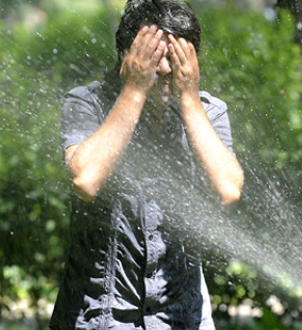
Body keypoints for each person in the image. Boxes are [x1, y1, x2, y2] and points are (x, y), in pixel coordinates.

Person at [49, 0, 243, 329]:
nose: (166, 69)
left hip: (182, 320)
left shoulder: (208, 112)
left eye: (175, 57)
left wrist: (190, 96)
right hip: (97, 320)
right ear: (126, 54)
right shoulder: (88, 103)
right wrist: (135, 89)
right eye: (154, 56)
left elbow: (228, 190)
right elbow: (86, 179)